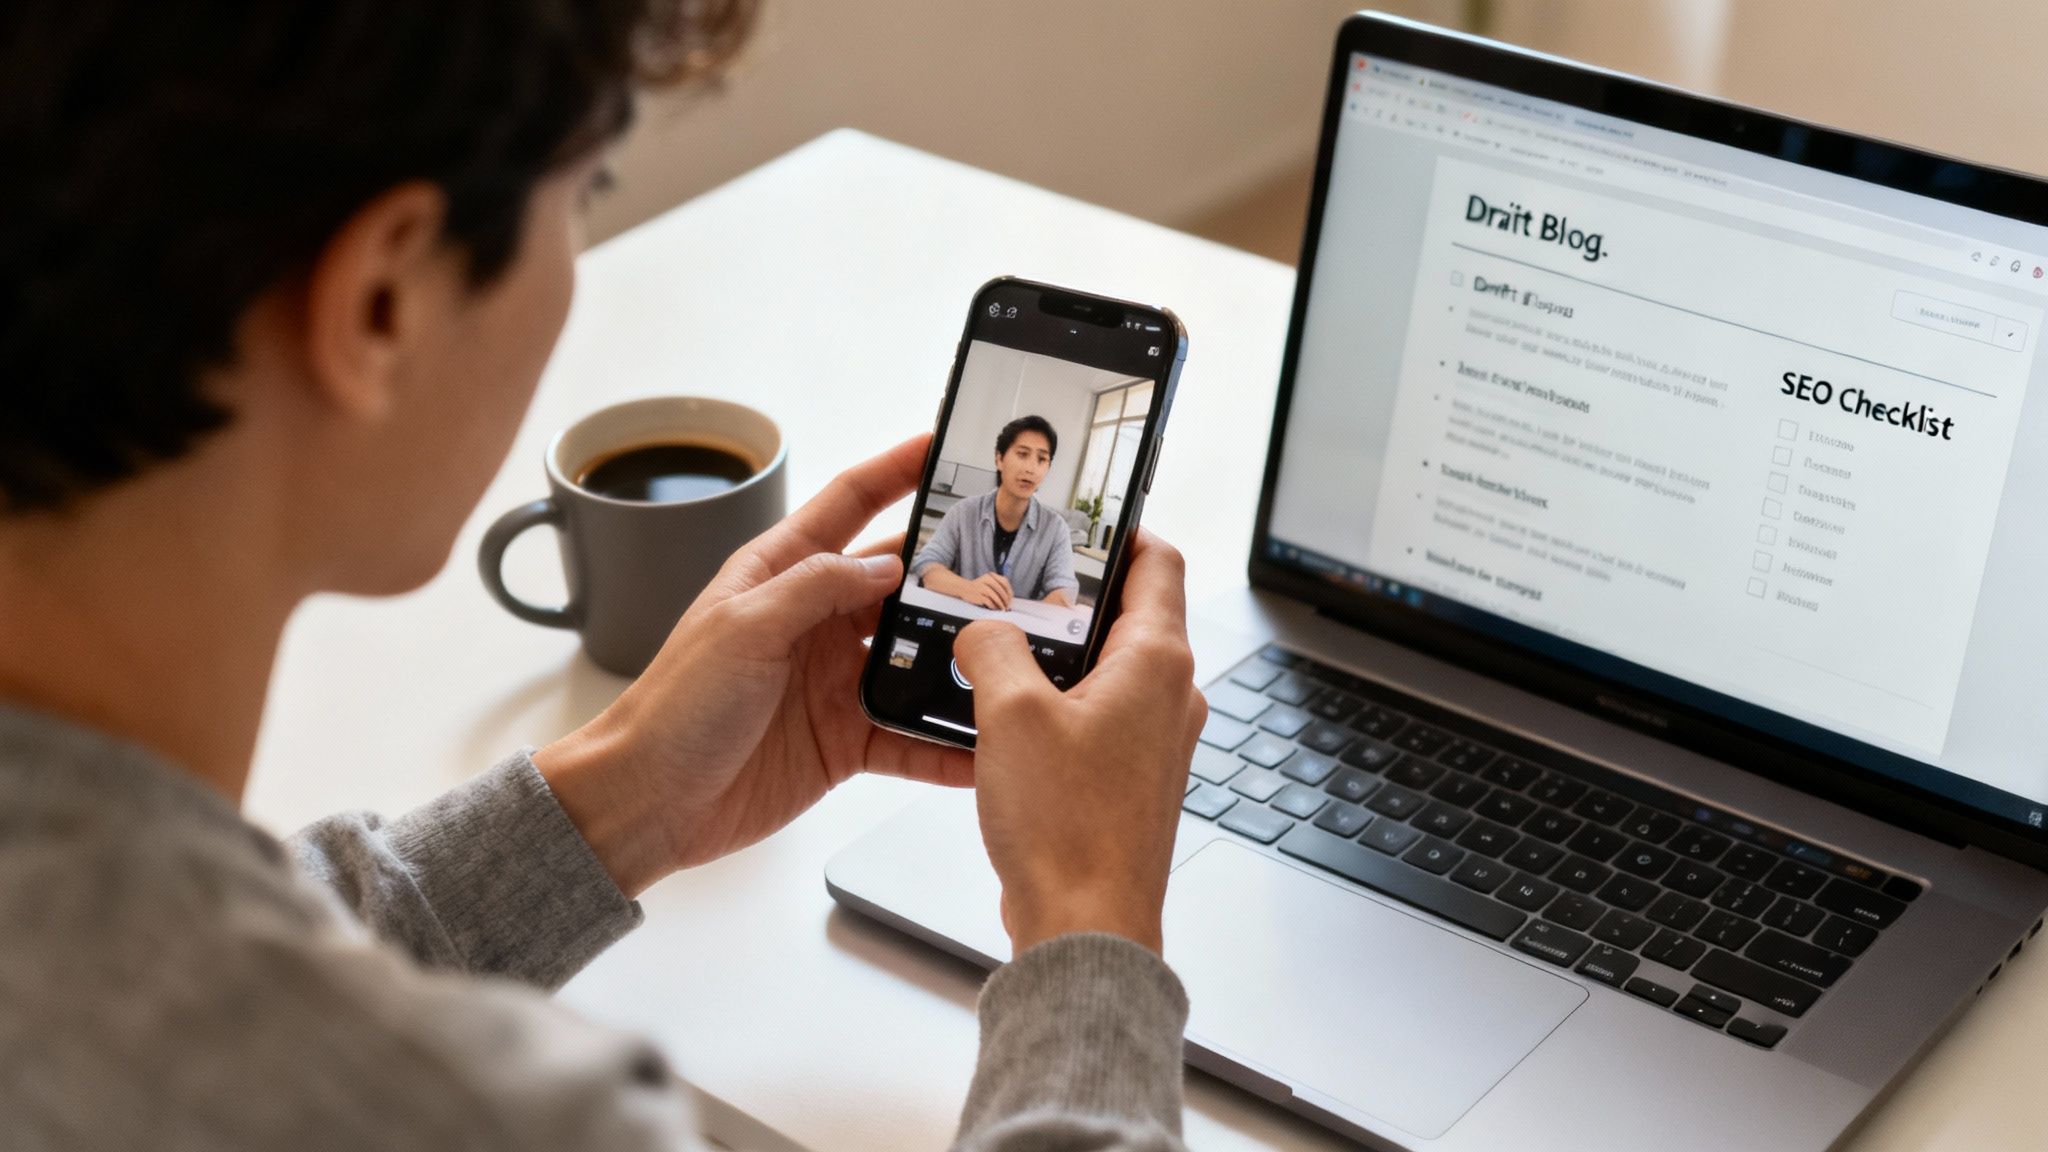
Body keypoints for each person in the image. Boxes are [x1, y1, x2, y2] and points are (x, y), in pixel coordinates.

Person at [0, 3, 1208, 1150]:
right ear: (382, 302)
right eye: (584, 194)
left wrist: (618, 790)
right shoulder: (497, 1118)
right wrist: (1087, 914)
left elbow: (182, 989)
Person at [913, 415, 1081, 611]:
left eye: (1042, 459)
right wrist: (968, 588)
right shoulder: (963, 512)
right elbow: (927, 565)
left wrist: (1015, 617)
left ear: (1048, 467)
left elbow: (1065, 593)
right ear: (999, 459)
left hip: (1017, 628)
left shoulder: (1055, 528)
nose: (1031, 468)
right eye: (1022, 454)